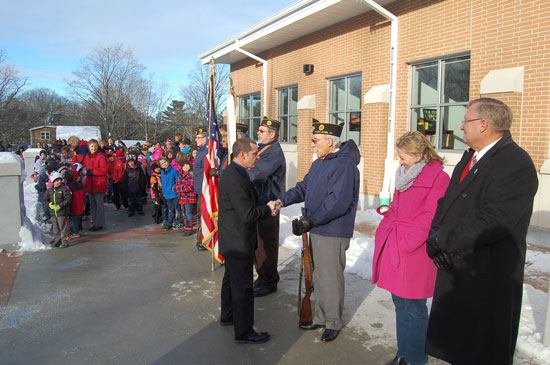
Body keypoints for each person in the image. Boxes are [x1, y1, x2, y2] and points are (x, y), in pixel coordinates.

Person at [425, 98, 538, 365]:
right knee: (457, 348)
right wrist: (434, 237)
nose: (461, 127)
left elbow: (493, 219)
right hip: (458, 269)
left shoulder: (514, 162)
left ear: (484, 124)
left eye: (466, 121)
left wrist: (444, 239)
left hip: (486, 277)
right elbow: (446, 202)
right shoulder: (471, 156)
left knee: (480, 351)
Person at [272, 119, 360, 342]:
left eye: (315, 140)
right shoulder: (320, 162)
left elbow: (337, 201)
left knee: (330, 277)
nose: (312, 144)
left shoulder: (344, 165)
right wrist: (283, 200)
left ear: (330, 141)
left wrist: (311, 220)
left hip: (332, 230)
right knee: (319, 276)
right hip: (319, 227)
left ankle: (332, 322)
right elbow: (304, 187)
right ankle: (321, 317)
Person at [372, 131, 450, 365]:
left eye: (403, 156)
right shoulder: (405, 172)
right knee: (399, 304)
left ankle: (416, 359)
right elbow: (399, 206)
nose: (400, 160)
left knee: (415, 308)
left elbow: (431, 216)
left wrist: (408, 243)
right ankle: (403, 352)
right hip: (396, 243)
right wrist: (388, 216)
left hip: (414, 251)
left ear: (417, 154)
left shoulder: (439, 177)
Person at [218, 138, 276, 344]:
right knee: (242, 287)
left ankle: (228, 315)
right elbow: (247, 214)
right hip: (238, 241)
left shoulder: (236, 173)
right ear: (242, 155)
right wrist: (268, 209)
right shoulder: (235, 178)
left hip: (234, 238)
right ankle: (244, 331)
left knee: (230, 280)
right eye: (255, 153)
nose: (258, 157)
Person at [246, 117, 286, 298]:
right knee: (258, 246)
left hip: (268, 204)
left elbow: (256, 175)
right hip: (259, 203)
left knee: (266, 246)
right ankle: (262, 277)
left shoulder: (273, 153)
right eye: (259, 130)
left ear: (272, 134)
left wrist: (238, 170)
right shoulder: (265, 149)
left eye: (261, 131)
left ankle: (269, 281)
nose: (257, 133)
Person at [82, 139, 108, 231]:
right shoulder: (87, 157)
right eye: (92, 146)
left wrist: (92, 171)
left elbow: (104, 170)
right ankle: (95, 221)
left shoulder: (101, 157)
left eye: (95, 146)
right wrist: (84, 171)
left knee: (99, 205)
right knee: (93, 205)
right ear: (89, 147)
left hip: (99, 183)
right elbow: (84, 166)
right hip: (90, 184)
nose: (93, 148)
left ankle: (99, 223)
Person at [44, 171, 72, 248]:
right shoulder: (49, 191)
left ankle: (64, 240)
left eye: (60, 180)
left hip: (62, 212)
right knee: (55, 228)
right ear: (53, 182)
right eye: (56, 180)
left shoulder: (64, 189)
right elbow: (45, 200)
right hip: (53, 213)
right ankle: (57, 239)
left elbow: (68, 199)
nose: (58, 182)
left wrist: (60, 206)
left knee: (63, 227)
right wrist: (49, 205)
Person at [193, 126, 208, 251]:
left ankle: (203, 239)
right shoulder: (201, 151)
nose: (196, 139)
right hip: (199, 187)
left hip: (204, 188)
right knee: (200, 214)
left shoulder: (206, 152)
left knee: (204, 214)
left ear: (205, 138)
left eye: (198, 137)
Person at [174, 159, 196, 236]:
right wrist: (179, 188)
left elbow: (190, 187)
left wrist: (179, 188)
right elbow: (176, 186)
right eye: (184, 166)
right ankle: (186, 226)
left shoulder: (191, 175)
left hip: (189, 197)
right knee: (185, 213)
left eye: (187, 165)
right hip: (183, 197)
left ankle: (190, 227)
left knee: (189, 213)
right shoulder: (181, 175)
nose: (186, 167)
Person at [159, 157, 180, 230]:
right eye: (162, 164)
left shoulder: (174, 171)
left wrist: (177, 190)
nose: (164, 164)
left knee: (178, 209)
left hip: (174, 193)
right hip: (167, 194)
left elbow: (178, 181)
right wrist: (164, 192)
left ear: (167, 162)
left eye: (165, 162)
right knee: (170, 209)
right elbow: (163, 183)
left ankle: (180, 222)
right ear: (161, 166)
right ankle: (170, 222)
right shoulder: (162, 172)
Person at [65, 169, 84, 238]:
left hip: (73, 207)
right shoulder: (79, 185)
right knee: (77, 219)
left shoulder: (68, 186)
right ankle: (76, 230)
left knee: (73, 220)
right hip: (80, 207)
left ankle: (74, 232)